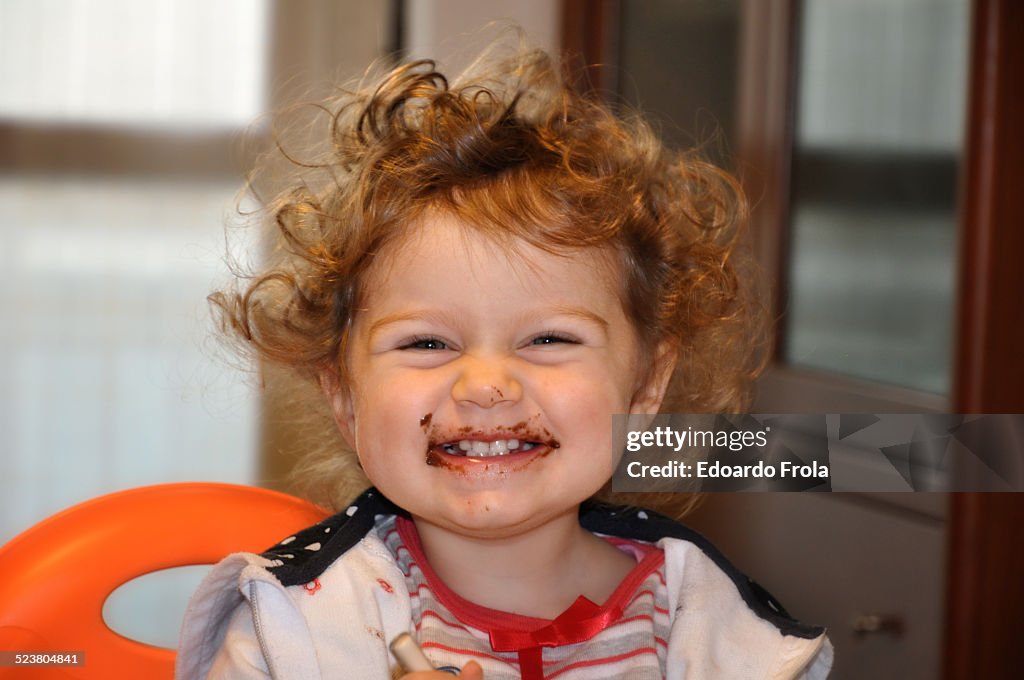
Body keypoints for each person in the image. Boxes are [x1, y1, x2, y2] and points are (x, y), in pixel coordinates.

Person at [176, 42, 832, 680]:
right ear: (344, 396)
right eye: (426, 343)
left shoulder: (716, 632)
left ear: (647, 384)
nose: (487, 385)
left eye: (549, 340)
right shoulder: (289, 630)